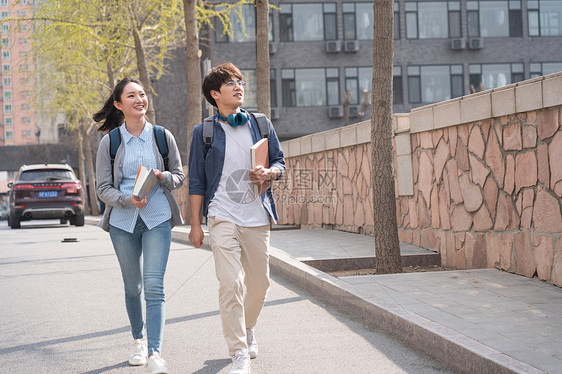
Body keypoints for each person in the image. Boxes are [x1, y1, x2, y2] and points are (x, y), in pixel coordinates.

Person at [188, 63, 285, 374]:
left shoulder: (260, 123)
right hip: (221, 215)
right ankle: (239, 353)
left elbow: (281, 162)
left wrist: (269, 172)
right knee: (230, 284)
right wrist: (195, 225)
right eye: (230, 83)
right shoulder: (203, 132)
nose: (239, 86)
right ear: (215, 94)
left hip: (257, 215)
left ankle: (248, 326)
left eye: (240, 81)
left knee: (260, 284)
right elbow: (197, 182)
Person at [94, 78, 184, 374]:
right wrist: (126, 199)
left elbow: (179, 176)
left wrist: (163, 177)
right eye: (131, 95)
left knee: (154, 286)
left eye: (142, 94)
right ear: (119, 105)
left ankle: (156, 351)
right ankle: (138, 341)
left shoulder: (161, 136)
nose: (139, 99)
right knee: (133, 287)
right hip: (123, 221)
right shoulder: (111, 142)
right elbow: (102, 189)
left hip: (157, 218)